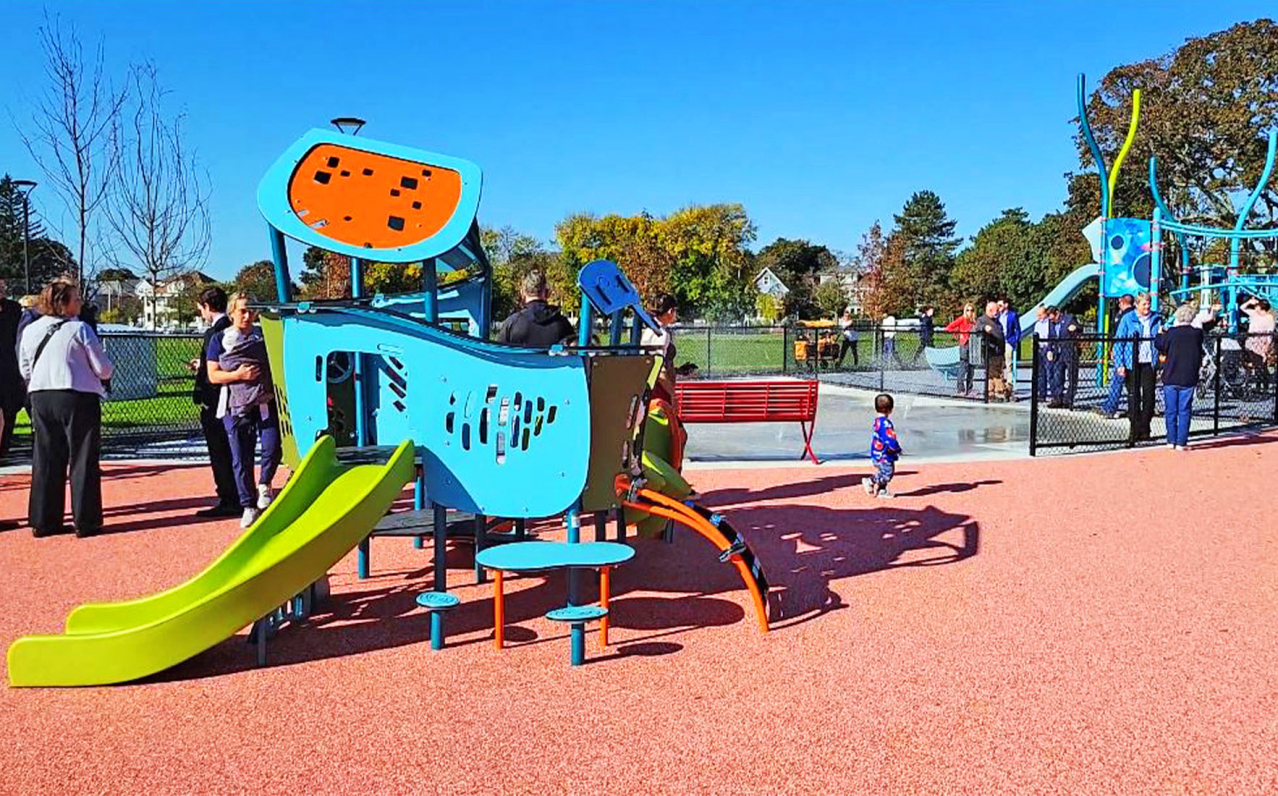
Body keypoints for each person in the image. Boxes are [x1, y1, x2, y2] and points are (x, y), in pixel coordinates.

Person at [18, 279, 114, 537]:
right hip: (77, 395)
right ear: (63, 303)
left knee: (46, 457)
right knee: (82, 458)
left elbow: (25, 368)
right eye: (76, 299)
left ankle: (43, 520)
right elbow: (103, 368)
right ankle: (86, 520)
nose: (80, 303)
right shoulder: (80, 329)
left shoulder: (30, 329)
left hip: (41, 395)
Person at [206, 293, 282, 529]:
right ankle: (248, 505)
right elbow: (213, 374)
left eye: (251, 311)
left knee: (272, 444)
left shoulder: (262, 337)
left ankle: (265, 485)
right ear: (232, 314)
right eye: (242, 311)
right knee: (240, 455)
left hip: (262, 400)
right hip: (235, 404)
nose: (248, 316)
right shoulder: (220, 340)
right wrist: (238, 375)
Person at [190, 286, 240, 518]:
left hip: (216, 399)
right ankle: (238, 492)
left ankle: (228, 497)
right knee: (234, 449)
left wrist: (203, 390)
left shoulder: (214, 333)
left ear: (207, 307)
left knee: (219, 451)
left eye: (201, 309)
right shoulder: (232, 328)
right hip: (232, 396)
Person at [1156, 303, 1215, 451]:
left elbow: (1160, 345)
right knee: (1184, 410)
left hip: (1171, 374)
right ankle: (1182, 441)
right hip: (1189, 375)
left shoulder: (1171, 332)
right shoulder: (1196, 334)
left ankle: (1171, 439)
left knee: (1171, 410)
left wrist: (1159, 334)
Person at [1114, 292, 1163, 443]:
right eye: (1144, 304)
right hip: (1132, 363)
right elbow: (1119, 342)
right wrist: (1120, 364)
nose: (1147, 307)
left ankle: (1145, 429)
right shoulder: (1128, 319)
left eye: (1148, 303)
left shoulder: (1156, 318)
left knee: (1149, 398)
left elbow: (1161, 338)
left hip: (1149, 362)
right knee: (1133, 397)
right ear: (1137, 304)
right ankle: (1134, 431)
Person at [496, 269, 575, 348]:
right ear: (547, 292)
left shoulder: (512, 324)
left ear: (522, 292)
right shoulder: (562, 324)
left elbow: (499, 355)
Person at [641, 293, 696, 405]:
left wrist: (678, 371)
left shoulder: (649, 330)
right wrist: (672, 394)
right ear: (670, 311)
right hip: (658, 389)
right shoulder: (661, 334)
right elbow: (658, 369)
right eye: (675, 310)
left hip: (648, 386)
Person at [1099, 294, 1135, 418]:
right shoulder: (1133, 315)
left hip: (1124, 354)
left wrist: (1115, 349)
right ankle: (1124, 407)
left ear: (1122, 302)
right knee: (1130, 385)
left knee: (1117, 381)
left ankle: (1110, 407)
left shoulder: (1124, 316)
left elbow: (1119, 336)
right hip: (1131, 354)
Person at [0, 279, 24, 460]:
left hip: (9, 364)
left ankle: (5, 445)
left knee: (9, 407)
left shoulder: (13, 309)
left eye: (3, 287)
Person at [862, 393, 902, 499]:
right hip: (884, 454)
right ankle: (870, 481)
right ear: (890, 409)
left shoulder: (878, 422)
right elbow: (890, 439)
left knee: (883, 471)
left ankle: (882, 490)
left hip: (877, 453)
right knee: (888, 473)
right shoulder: (886, 424)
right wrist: (896, 449)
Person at [1047, 306, 1081, 408]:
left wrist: (1075, 328)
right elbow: (1051, 336)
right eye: (1050, 319)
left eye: (1053, 318)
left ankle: (1068, 400)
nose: (1052, 321)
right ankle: (1057, 398)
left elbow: (1080, 328)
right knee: (1057, 376)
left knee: (1072, 376)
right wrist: (1050, 349)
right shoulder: (1051, 323)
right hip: (1058, 353)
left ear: (1057, 313)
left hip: (1070, 351)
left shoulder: (1069, 319)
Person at [973, 300, 1007, 400]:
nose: (998, 312)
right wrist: (984, 328)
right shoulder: (982, 320)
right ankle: (997, 391)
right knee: (994, 373)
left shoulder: (996, 321)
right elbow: (977, 327)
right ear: (991, 310)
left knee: (996, 371)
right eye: (996, 310)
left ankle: (992, 391)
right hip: (990, 351)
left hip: (999, 351)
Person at [1240, 297, 1274, 390]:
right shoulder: (1254, 314)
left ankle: (1263, 384)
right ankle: (1258, 383)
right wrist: (1249, 302)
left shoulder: (1269, 318)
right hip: (1252, 342)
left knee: (1261, 364)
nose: (1255, 307)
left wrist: (1267, 348)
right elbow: (1242, 308)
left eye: (1257, 306)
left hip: (1262, 343)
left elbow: (1269, 334)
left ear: (1261, 307)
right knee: (1254, 363)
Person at [944, 303, 977, 396]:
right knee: (963, 366)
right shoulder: (962, 319)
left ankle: (969, 389)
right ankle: (960, 389)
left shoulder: (974, 321)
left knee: (971, 368)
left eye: (972, 310)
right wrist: (958, 334)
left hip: (973, 345)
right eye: (968, 310)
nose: (969, 312)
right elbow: (949, 327)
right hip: (964, 344)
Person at [997, 299, 1021, 398]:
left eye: (1000, 305)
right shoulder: (997, 316)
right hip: (999, 342)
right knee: (999, 364)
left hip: (1009, 342)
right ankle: (1000, 384)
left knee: (1009, 364)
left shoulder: (1012, 315)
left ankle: (1009, 384)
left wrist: (1015, 341)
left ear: (1006, 305)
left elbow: (1018, 329)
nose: (999, 307)